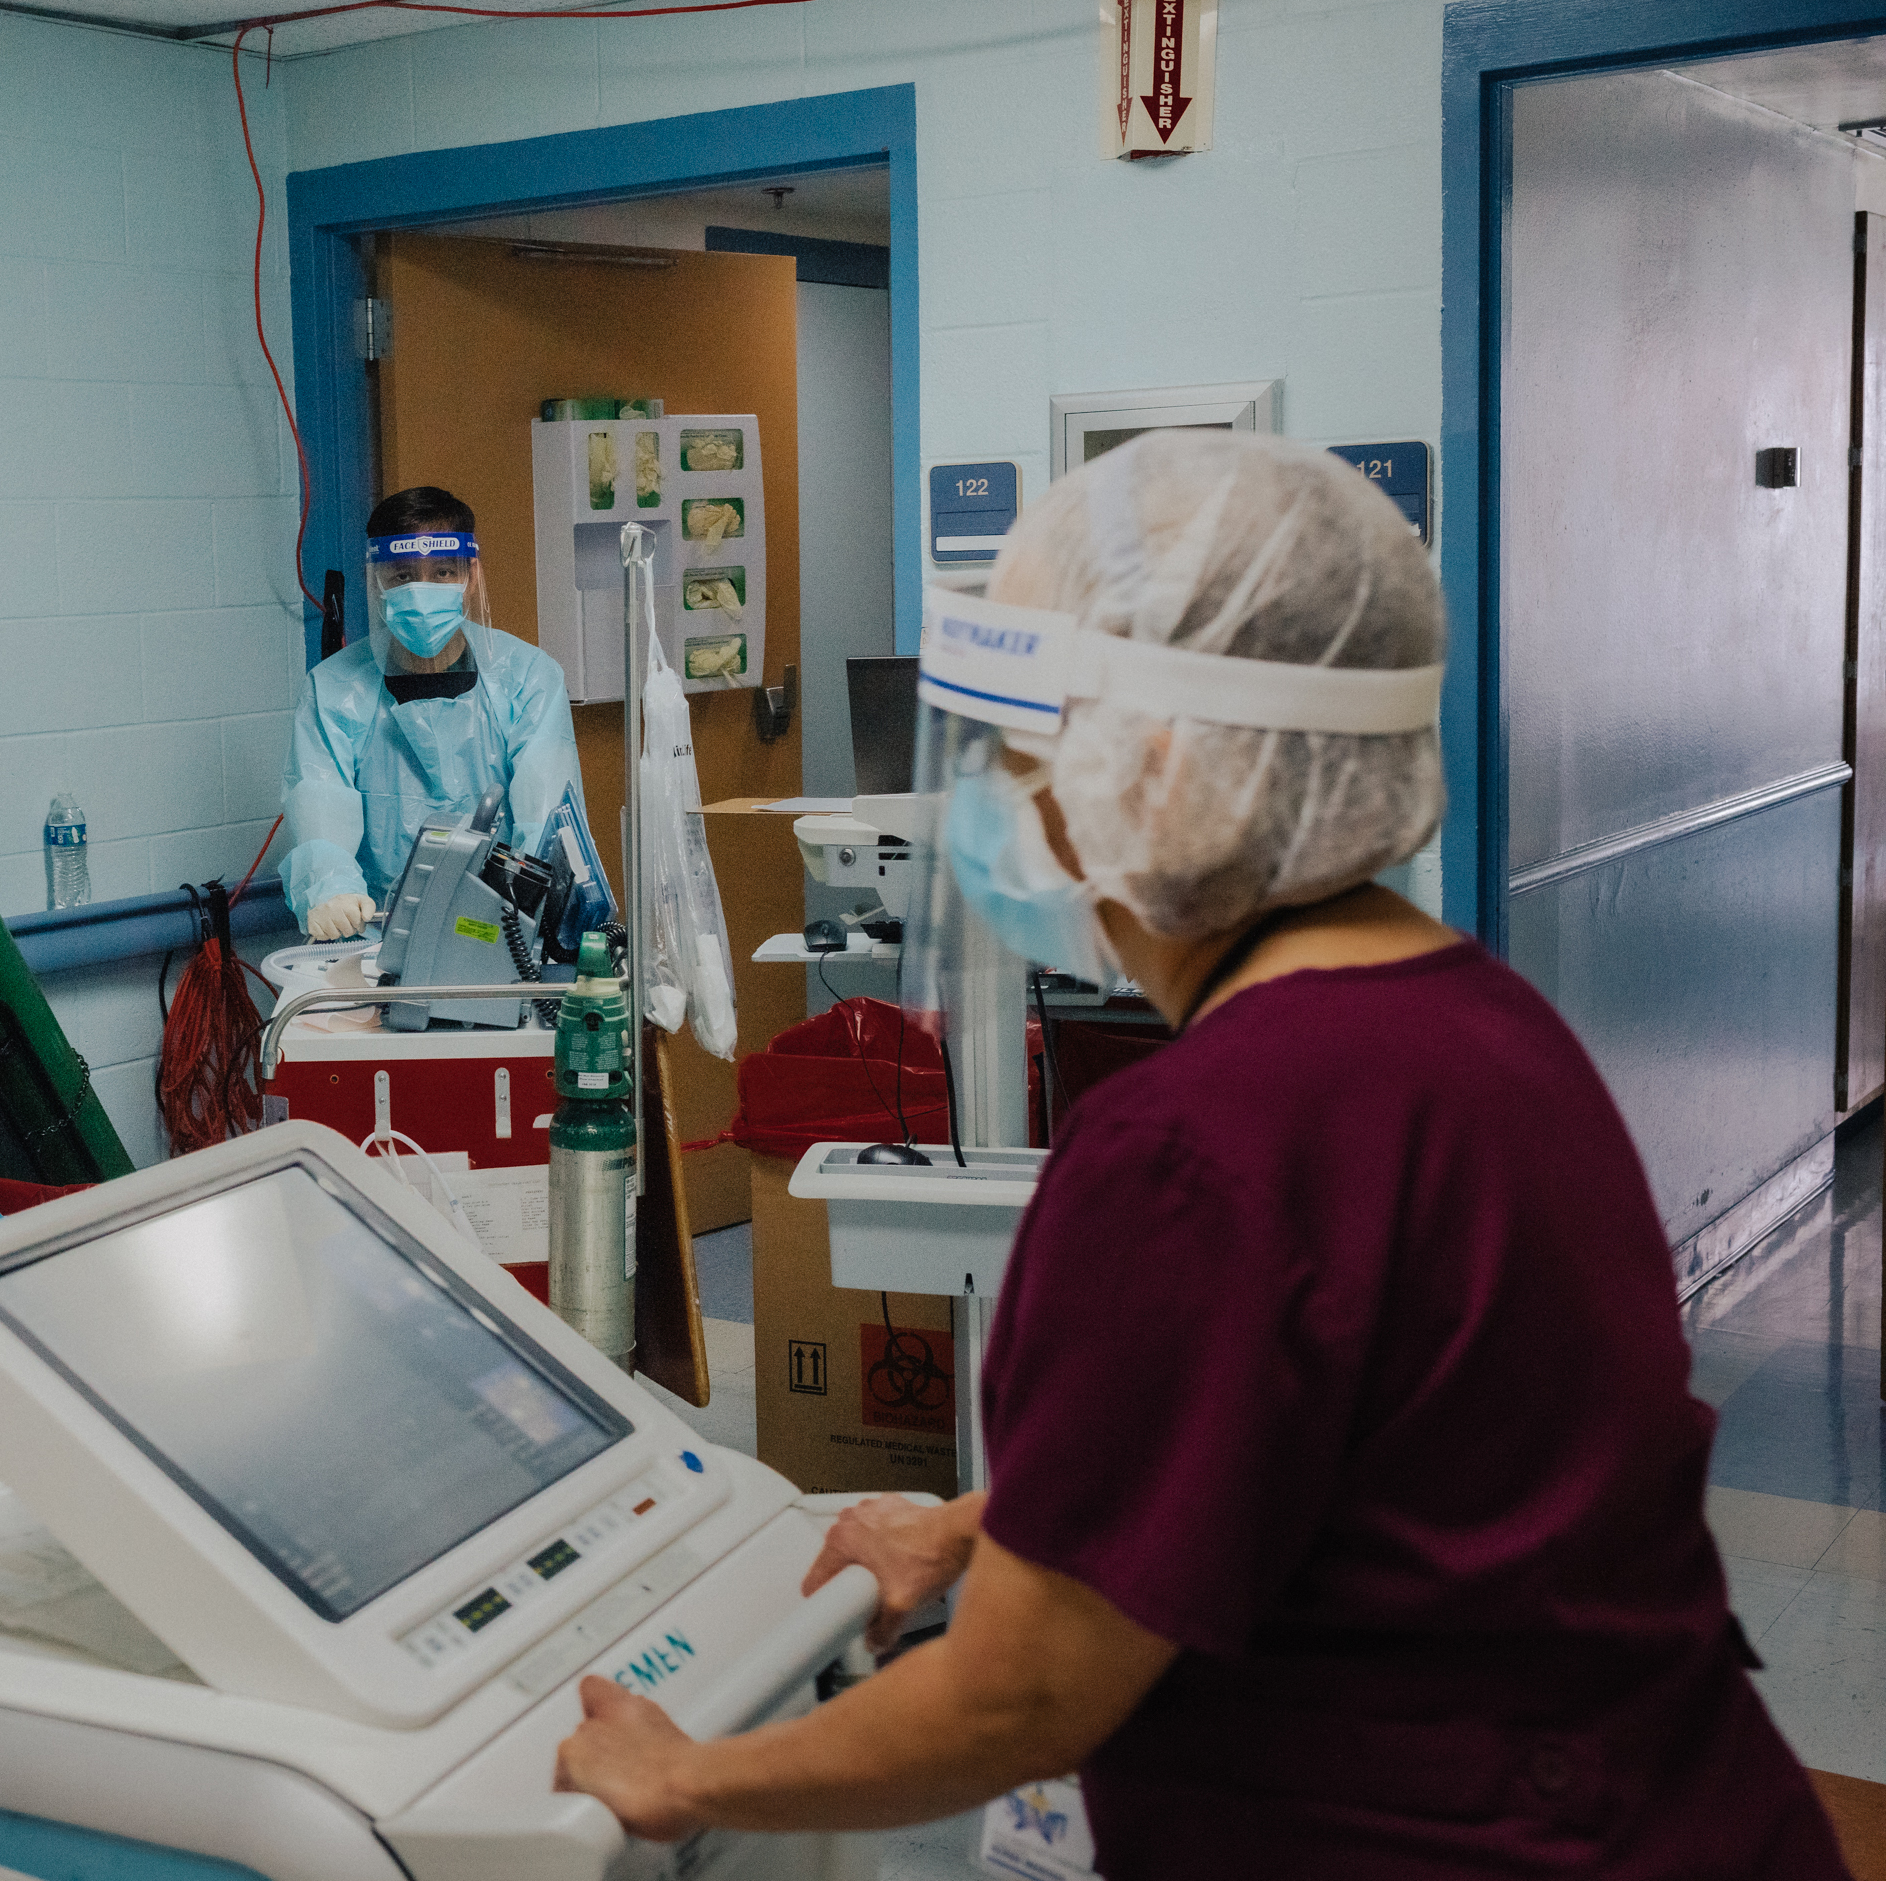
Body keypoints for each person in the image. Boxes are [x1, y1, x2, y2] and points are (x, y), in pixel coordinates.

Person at [553, 432, 1848, 1878]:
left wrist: (684, 1775)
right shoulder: (1481, 1027)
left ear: (1153, 768)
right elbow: (1343, 1437)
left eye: (1019, 758)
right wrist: (986, 1527)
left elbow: (1025, 1698)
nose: (997, 808)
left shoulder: (1193, 1152)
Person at [281, 487, 612, 944]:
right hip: (375, 939)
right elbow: (320, 808)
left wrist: (517, 908)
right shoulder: (336, 691)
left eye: (442, 573)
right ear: (374, 578)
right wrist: (331, 890)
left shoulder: (527, 678)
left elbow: (546, 817)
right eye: (402, 576)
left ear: (471, 576)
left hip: (504, 933)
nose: (422, 594)